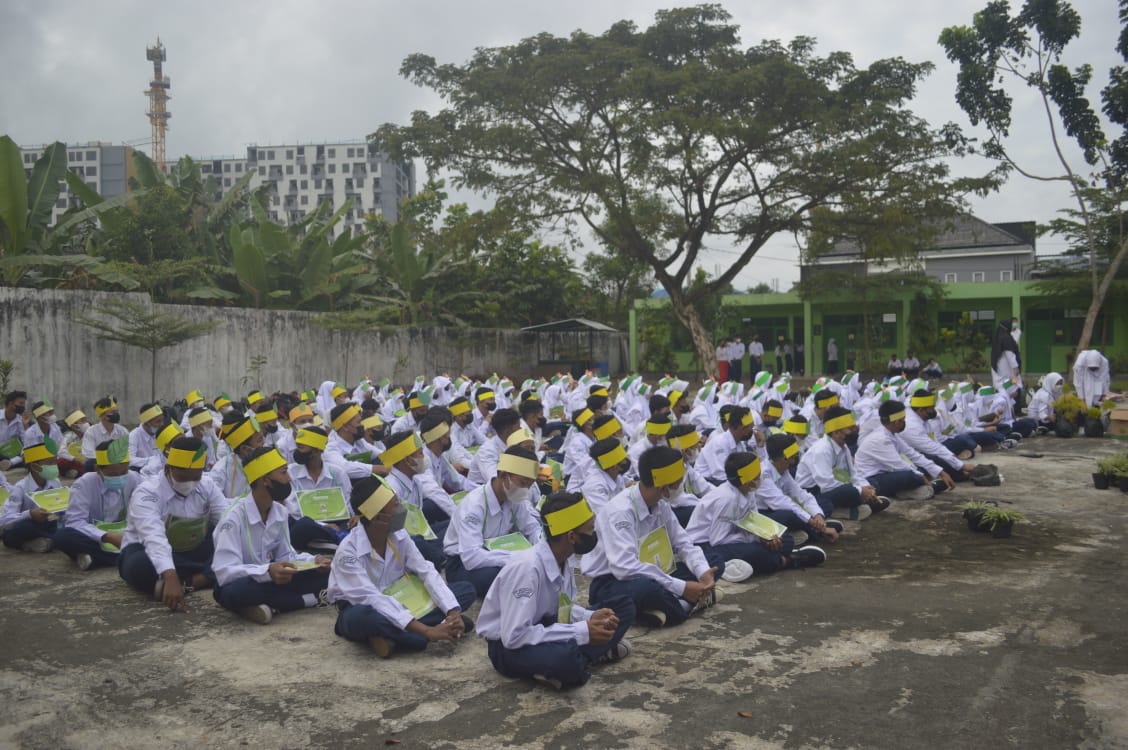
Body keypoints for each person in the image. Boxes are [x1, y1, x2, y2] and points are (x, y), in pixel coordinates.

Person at [478, 491, 635, 689]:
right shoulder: (527, 569)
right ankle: (582, 656)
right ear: (571, 536)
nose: (594, 534)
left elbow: (561, 609)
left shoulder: (564, 558)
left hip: (545, 625)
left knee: (624, 606)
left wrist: (590, 616)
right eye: (589, 529)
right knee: (565, 660)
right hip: (509, 648)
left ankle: (576, 659)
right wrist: (583, 631)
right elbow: (514, 637)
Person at [328, 475, 476, 658]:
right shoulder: (347, 553)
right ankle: (421, 635)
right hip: (361, 607)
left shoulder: (399, 535)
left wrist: (452, 611)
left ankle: (396, 636)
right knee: (363, 618)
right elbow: (372, 598)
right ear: (377, 517)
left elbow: (426, 571)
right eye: (395, 506)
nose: (401, 509)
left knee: (465, 590)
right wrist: (427, 632)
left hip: (404, 597)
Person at [581, 446, 724, 628]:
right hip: (614, 582)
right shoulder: (620, 512)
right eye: (677, 483)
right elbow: (625, 568)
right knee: (646, 589)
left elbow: (683, 542)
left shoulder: (660, 504)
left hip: (659, 569)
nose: (681, 487)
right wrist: (682, 587)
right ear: (662, 487)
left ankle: (670, 606)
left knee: (714, 560)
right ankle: (684, 605)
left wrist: (703, 574)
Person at [211, 447, 332, 625]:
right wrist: (267, 571)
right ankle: (307, 600)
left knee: (329, 574)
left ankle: (270, 606)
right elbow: (224, 572)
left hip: (274, 580)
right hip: (246, 582)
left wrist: (313, 561)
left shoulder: (280, 512)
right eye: (283, 473)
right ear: (266, 480)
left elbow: (287, 556)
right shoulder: (233, 518)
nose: (289, 478)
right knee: (236, 592)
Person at [118, 436, 231, 611]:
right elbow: (153, 536)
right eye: (184, 476)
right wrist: (170, 576)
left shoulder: (206, 485)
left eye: (196, 476)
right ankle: (210, 574)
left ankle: (193, 581)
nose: (190, 483)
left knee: (227, 540)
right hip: (149, 549)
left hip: (193, 546)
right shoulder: (147, 492)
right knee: (138, 566)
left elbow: (225, 518)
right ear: (168, 468)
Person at [686, 452, 827, 582]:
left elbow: (754, 521)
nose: (761, 478)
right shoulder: (727, 499)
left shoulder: (748, 491)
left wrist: (766, 536)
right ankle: (788, 561)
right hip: (706, 546)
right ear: (747, 480)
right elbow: (718, 539)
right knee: (756, 552)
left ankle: (772, 556)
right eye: (757, 476)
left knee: (786, 540)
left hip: (734, 538)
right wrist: (756, 539)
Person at [443, 446, 544, 598]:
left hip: (497, 552)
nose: (525, 490)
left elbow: (532, 527)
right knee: (502, 576)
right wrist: (517, 558)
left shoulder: (515, 497)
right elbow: (471, 558)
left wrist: (540, 548)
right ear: (504, 475)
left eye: (529, 485)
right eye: (523, 483)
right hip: (462, 564)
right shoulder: (474, 505)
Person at [54, 437, 141, 570]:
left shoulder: (134, 478)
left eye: (124, 472)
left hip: (126, 534)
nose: (119, 477)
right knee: (63, 536)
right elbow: (75, 521)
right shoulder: (84, 484)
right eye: (112, 474)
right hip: (96, 536)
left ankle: (95, 559)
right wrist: (107, 536)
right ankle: (123, 558)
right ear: (97, 469)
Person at [794, 406, 889, 522]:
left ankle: (860, 501)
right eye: (850, 428)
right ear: (836, 432)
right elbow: (827, 485)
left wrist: (865, 487)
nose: (855, 431)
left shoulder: (843, 447)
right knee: (850, 491)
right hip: (814, 491)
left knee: (873, 484)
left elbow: (853, 474)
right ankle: (839, 510)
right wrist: (860, 490)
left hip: (835, 485)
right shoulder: (821, 450)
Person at [855, 401, 951, 501]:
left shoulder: (890, 434)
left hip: (886, 474)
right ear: (897, 422)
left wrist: (940, 472)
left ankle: (908, 490)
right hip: (871, 480)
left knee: (919, 469)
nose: (905, 423)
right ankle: (909, 490)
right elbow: (899, 465)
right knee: (912, 475)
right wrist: (922, 478)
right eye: (903, 420)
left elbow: (912, 454)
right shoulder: (881, 439)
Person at [0, 439, 63, 552]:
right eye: (49, 463)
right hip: (31, 526)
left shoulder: (55, 482)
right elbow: (5, 521)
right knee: (16, 531)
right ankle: (53, 540)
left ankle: (42, 542)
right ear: (34, 467)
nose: (54, 466)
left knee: (67, 526)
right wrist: (29, 514)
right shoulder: (20, 488)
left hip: (51, 523)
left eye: (55, 462)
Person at [81, 397, 129, 471]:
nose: (116, 414)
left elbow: (128, 450)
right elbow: (88, 453)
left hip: (119, 463)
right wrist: (107, 460)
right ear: (103, 416)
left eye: (117, 411)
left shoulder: (122, 431)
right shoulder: (91, 432)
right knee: (90, 463)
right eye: (113, 412)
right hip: (101, 464)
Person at [127, 403, 166, 470]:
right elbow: (129, 460)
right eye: (158, 421)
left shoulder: (162, 433)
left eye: (162, 420)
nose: (161, 424)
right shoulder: (133, 436)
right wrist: (151, 460)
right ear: (146, 423)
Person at [991, 318, 1022, 390]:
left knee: (1001, 384)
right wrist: (1015, 367)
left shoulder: (999, 335)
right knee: (1010, 384)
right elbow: (1009, 354)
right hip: (1006, 366)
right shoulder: (1006, 337)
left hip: (1000, 364)